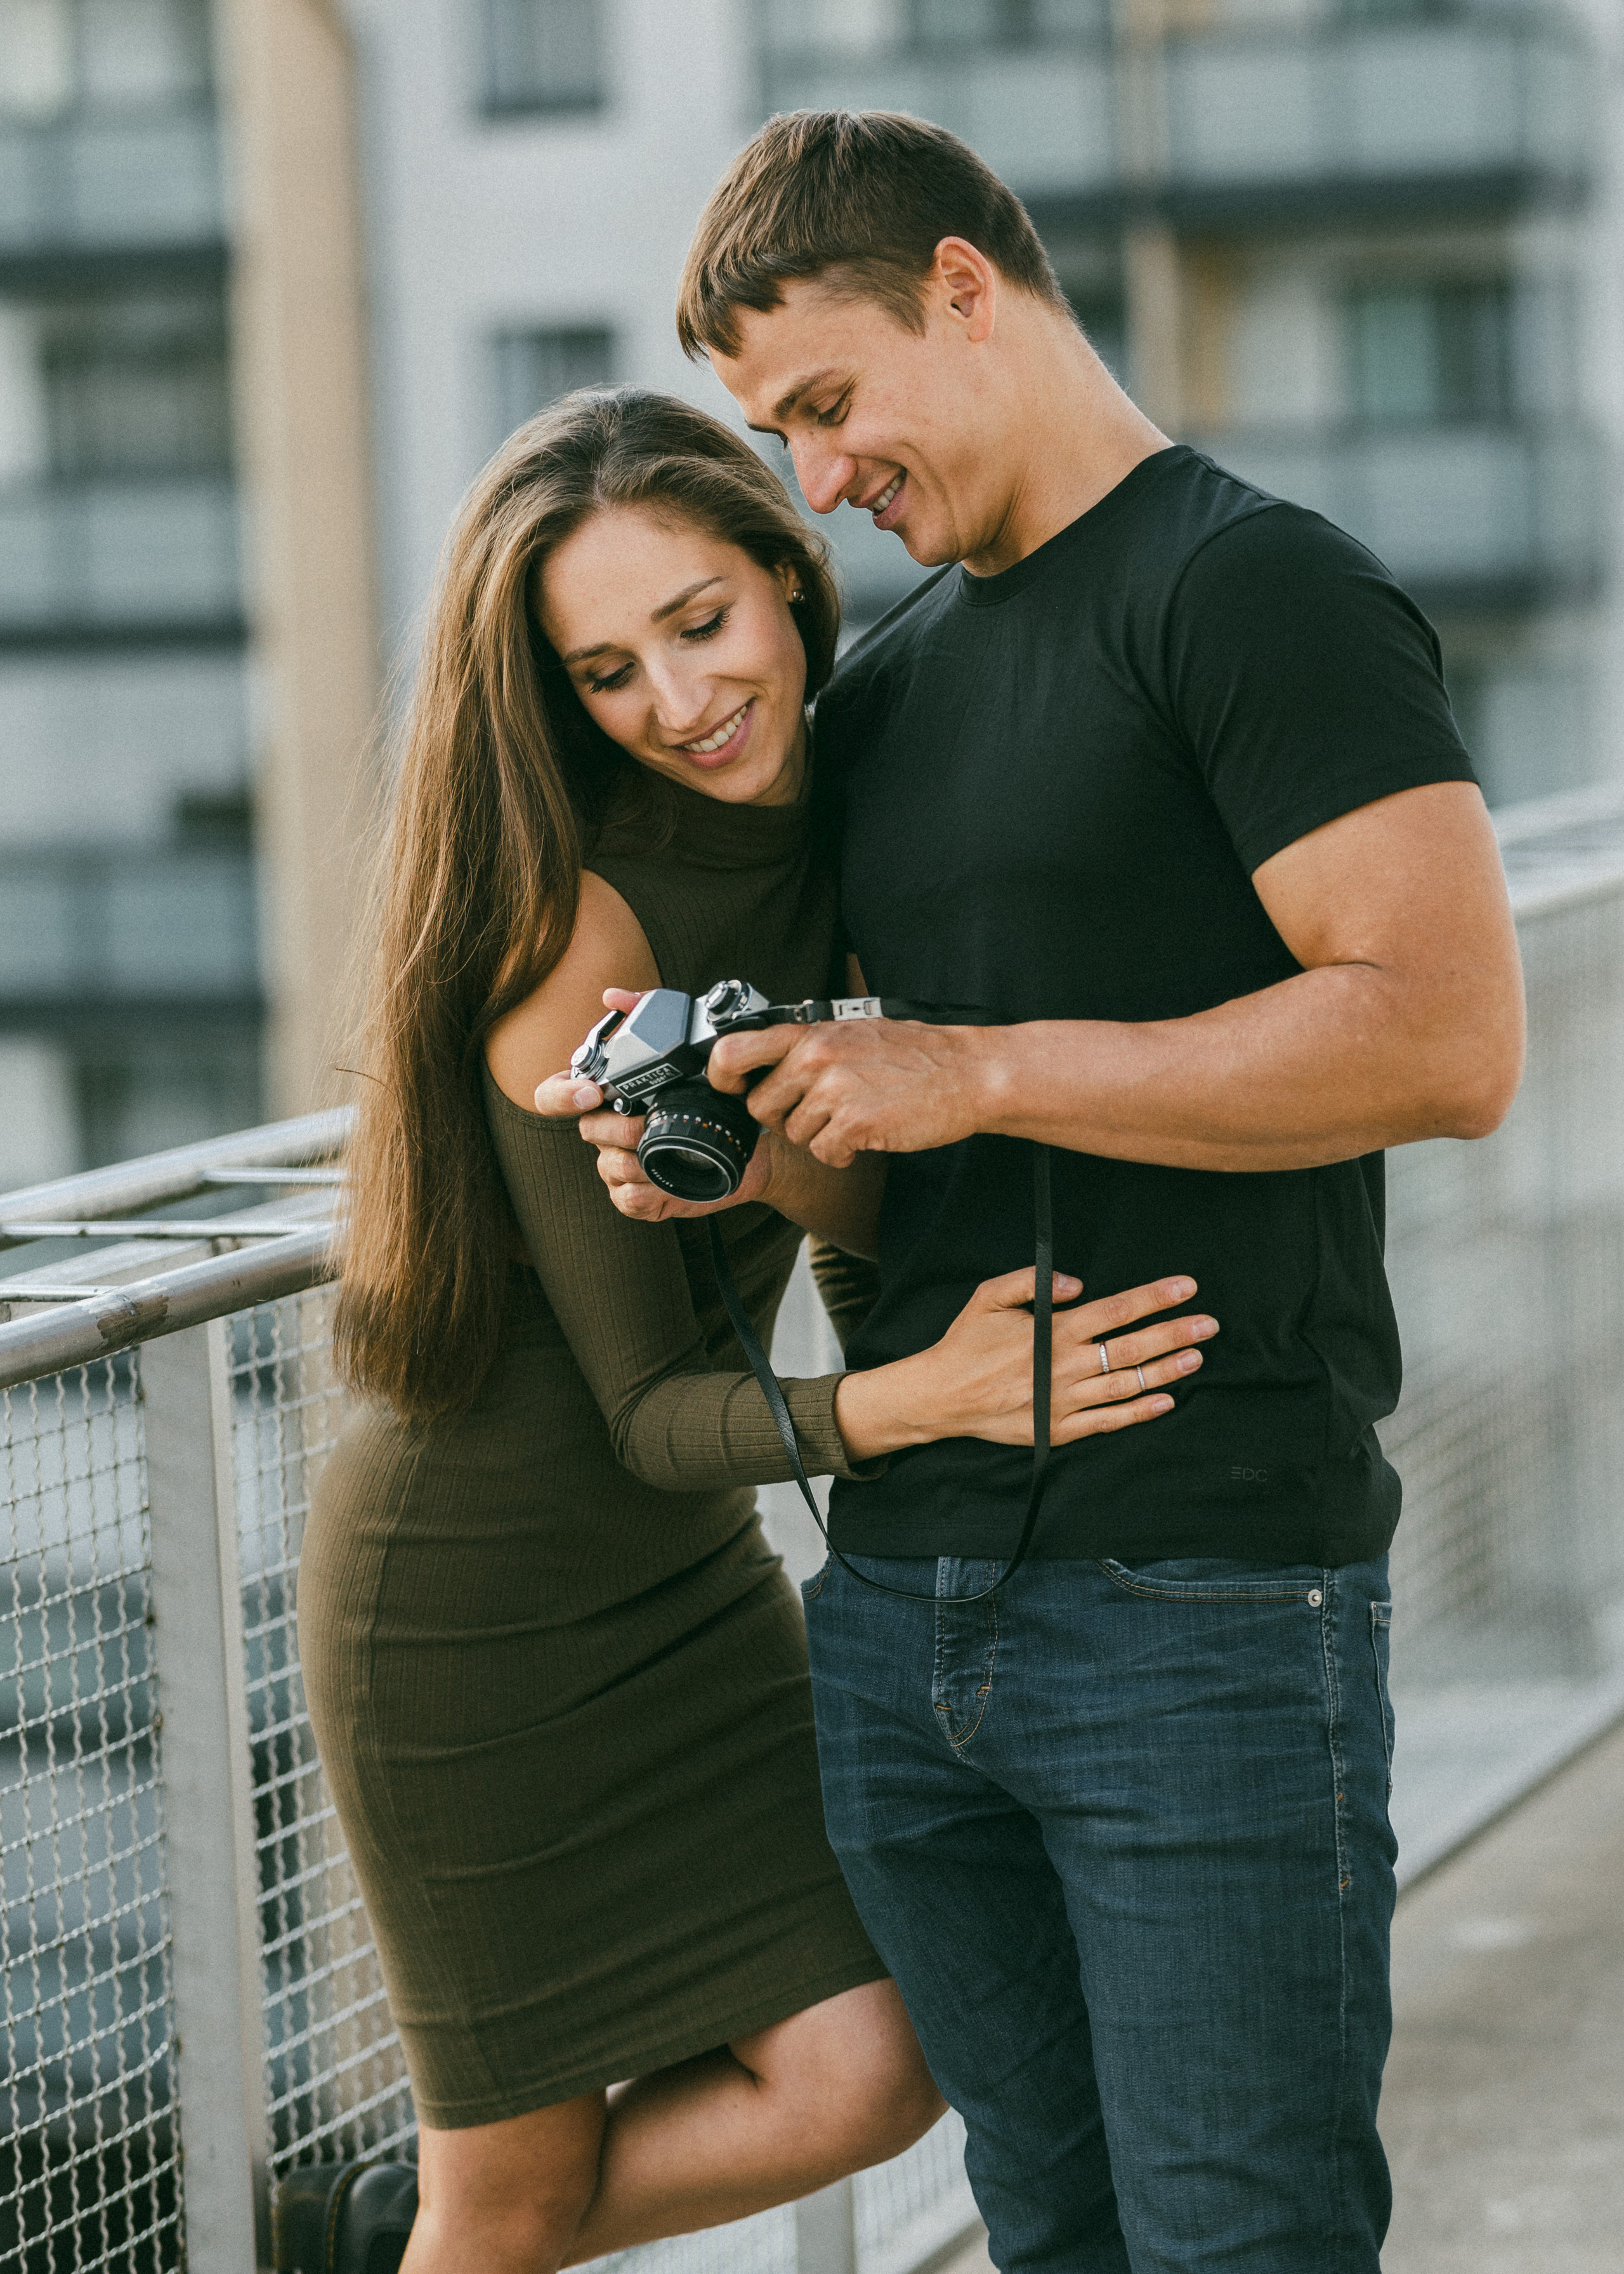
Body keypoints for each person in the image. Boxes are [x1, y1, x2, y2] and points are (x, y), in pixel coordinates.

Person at [546, 115, 1527, 2273]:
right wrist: (742, 1137)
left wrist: (970, 1064)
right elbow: (906, 1179)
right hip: (902, 1616)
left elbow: (1448, 1039)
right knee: (1043, 2234)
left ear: (968, 291)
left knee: (1239, 2241)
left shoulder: (1255, 587)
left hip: (1201, 1602)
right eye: (768, 433)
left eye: (824, 404)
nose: (812, 481)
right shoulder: (888, 691)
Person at [299, 386, 1217, 2274]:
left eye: (700, 624)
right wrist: (932, 1397)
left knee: (875, 2068)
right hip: (480, 1605)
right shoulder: (580, 918)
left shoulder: (869, 812)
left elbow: (855, 1210)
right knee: (518, 2196)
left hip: (691, 1584)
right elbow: (651, 1407)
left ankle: (393, 2230)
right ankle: (424, 2232)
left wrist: (824, 1202)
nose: (680, 699)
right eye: (608, 670)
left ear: (791, 580)